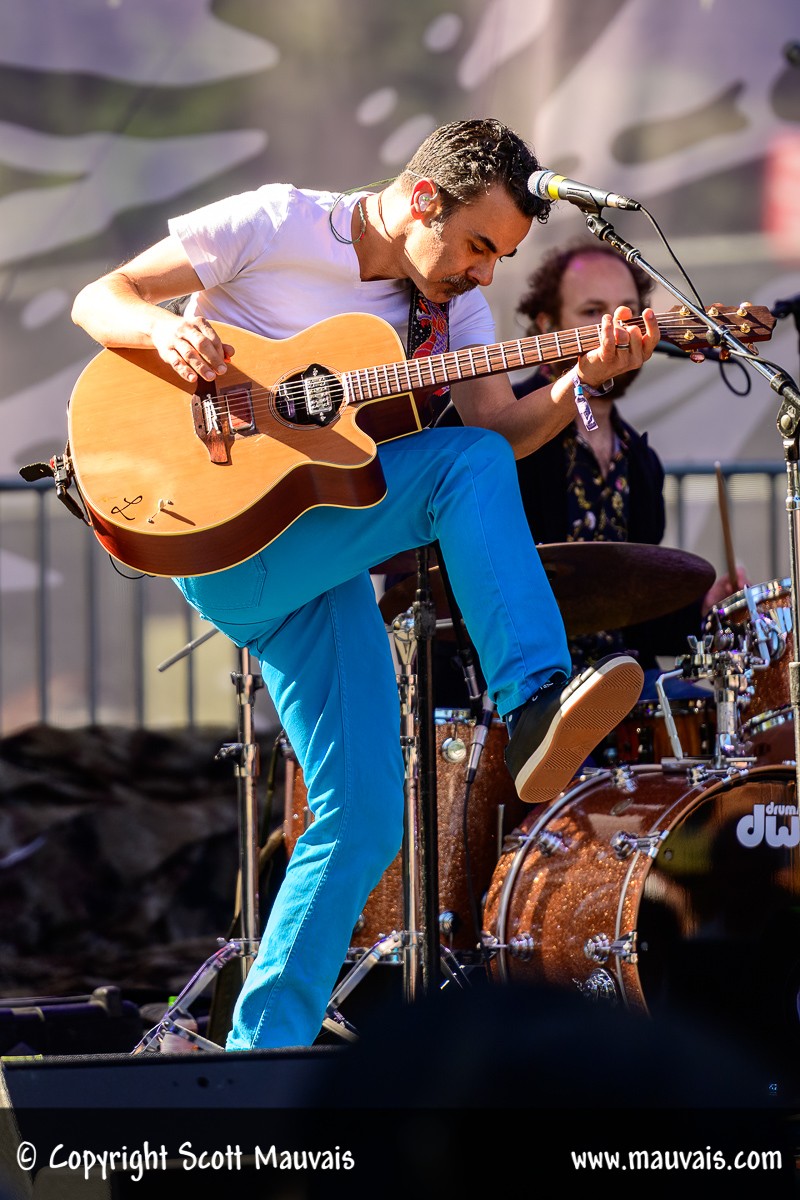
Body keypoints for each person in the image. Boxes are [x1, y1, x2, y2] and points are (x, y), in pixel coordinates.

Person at [70, 118, 659, 1052]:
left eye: (501, 258)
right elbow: (102, 297)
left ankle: (260, 1060)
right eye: (475, 246)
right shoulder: (276, 223)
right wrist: (165, 339)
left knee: (364, 818)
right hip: (216, 530)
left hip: (319, 554)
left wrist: (580, 380)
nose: (483, 276)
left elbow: (497, 437)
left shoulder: (451, 309)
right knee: (457, 465)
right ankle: (535, 698)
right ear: (423, 199)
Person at [512, 238, 747, 700]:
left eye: (628, 312)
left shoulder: (639, 460)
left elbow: (632, 614)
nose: (616, 331)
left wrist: (703, 608)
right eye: (592, 312)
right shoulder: (503, 427)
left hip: (622, 688)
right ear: (546, 324)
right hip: (526, 692)